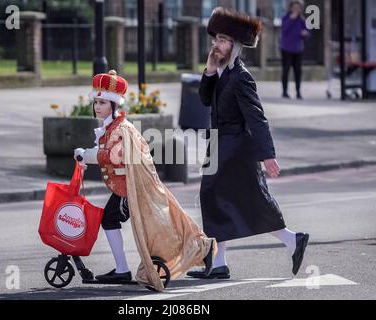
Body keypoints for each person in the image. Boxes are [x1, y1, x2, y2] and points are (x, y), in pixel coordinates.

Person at [186, 7, 309, 280]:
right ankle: (225, 262)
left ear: (235, 45)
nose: (216, 45)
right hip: (220, 145)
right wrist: (208, 70)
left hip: (236, 148)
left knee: (228, 199)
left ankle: (221, 262)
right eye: (215, 39)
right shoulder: (221, 72)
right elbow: (205, 99)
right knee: (238, 201)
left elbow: (257, 118)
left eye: (222, 40)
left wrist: (268, 155)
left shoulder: (241, 77)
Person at [74, 70, 216, 291]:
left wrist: (86, 154)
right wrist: (87, 155)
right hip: (126, 187)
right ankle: (200, 249)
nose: (97, 107)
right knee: (157, 224)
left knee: (141, 224)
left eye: (102, 102)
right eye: (96, 102)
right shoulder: (113, 126)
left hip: (130, 189)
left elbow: (113, 155)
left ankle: (124, 269)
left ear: (114, 104)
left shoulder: (121, 128)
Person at [280, 0, 310, 99]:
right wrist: (291, 19)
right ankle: (284, 91)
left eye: (298, 8)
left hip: (298, 49)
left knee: (298, 71)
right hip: (286, 48)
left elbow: (308, 34)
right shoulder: (285, 18)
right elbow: (284, 30)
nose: (296, 9)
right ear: (291, 8)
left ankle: (298, 92)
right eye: (295, 7)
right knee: (286, 70)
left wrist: (305, 34)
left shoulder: (302, 20)